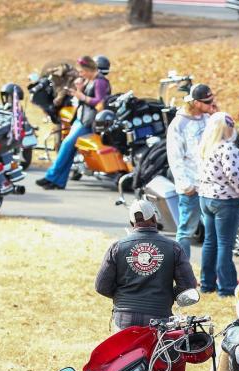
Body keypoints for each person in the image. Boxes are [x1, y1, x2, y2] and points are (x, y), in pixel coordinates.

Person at [95, 200, 198, 330]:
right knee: (158, 351)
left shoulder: (117, 247)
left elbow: (101, 286)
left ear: (132, 223)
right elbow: (188, 286)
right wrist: (167, 296)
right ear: (155, 218)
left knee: (124, 351)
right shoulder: (174, 247)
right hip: (159, 317)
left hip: (124, 318)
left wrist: (124, 297)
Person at [36, 56, 111, 190]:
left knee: (66, 145)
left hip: (89, 122)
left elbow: (99, 102)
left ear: (89, 69)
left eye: (82, 71)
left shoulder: (100, 82)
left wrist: (82, 96)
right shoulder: (90, 80)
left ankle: (51, 177)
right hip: (81, 118)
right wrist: (79, 90)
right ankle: (58, 181)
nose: (80, 74)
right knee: (68, 149)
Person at [198, 111, 239, 297]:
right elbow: (234, 176)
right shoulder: (228, 149)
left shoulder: (207, 146)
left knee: (210, 242)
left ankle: (206, 283)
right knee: (224, 244)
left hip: (206, 198)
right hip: (225, 201)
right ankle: (227, 287)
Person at [167, 83, 216, 258]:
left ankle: (210, 276)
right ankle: (184, 273)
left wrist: (216, 114)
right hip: (191, 188)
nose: (212, 103)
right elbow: (175, 158)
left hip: (210, 185)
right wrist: (185, 185)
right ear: (195, 102)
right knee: (186, 231)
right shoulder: (179, 124)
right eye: (207, 101)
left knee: (213, 233)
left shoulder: (208, 118)